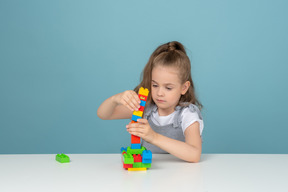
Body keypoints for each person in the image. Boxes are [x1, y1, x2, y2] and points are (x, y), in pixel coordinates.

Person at [97, 41, 204, 163]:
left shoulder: (188, 114)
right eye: (155, 85)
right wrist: (115, 99)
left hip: (180, 175)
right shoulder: (145, 108)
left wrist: (154, 137)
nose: (159, 93)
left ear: (184, 88)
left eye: (168, 88)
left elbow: (194, 154)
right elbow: (104, 114)